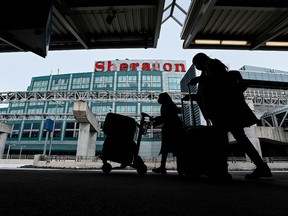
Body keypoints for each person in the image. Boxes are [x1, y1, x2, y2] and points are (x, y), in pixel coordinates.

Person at [189, 52, 272, 179]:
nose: (196, 67)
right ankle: (261, 167)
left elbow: (220, 82)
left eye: (195, 64)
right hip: (226, 111)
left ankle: (222, 170)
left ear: (200, 61)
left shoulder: (211, 65)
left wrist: (200, 80)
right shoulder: (208, 68)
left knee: (221, 140)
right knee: (239, 139)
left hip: (224, 111)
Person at [152, 92, 183, 174]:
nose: (158, 99)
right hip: (175, 128)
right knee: (176, 148)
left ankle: (163, 167)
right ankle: (180, 168)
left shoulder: (166, 106)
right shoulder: (170, 104)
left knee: (166, 148)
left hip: (170, 129)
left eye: (160, 98)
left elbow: (165, 118)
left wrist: (155, 121)